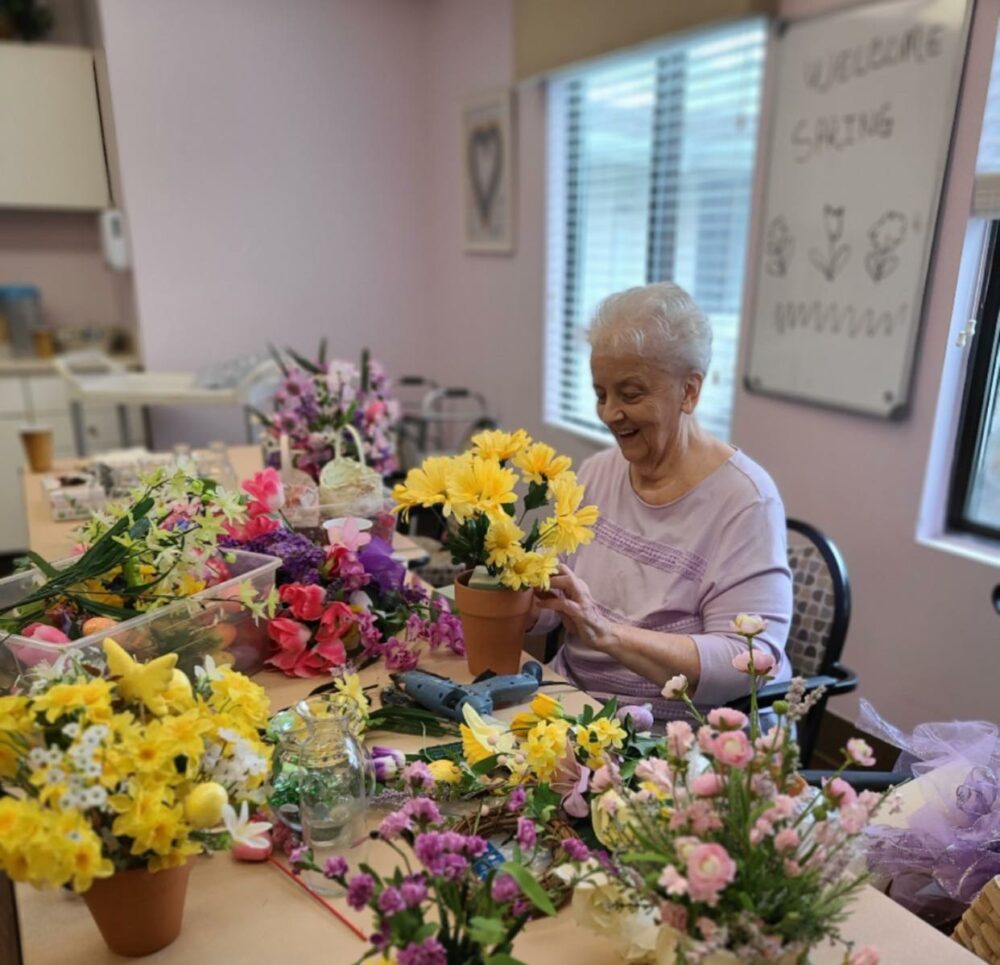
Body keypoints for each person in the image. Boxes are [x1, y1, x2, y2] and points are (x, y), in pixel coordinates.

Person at [535, 282, 792, 719]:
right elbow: (549, 613)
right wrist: (514, 592)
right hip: (573, 707)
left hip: (675, 740)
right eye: (601, 394)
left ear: (689, 391)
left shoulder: (746, 502)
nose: (610, 413)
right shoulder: (597, 472)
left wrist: (608, 633)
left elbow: (749, 663)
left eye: (631, 394)